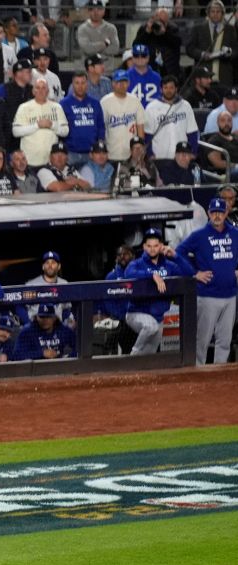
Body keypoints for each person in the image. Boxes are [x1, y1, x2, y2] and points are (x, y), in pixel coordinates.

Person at [179, 198, 238, 365]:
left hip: (230, 295)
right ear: (208, 213)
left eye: (221, 212)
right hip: (207, 295)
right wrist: (194, 273)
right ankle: (198, 372)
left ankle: (219, 374)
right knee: (202, 339)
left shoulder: (235, 234)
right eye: (214, 212)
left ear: (226, 213)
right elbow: (178, 253)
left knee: (225, 340)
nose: (217, 216)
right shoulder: (199, 235)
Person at [122, 228, 194, 355]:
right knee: (151, 327)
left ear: (161, 246)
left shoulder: (168, 265)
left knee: (150, 354)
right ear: (144, 246)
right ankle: (133, 356)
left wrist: (176, 256)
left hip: (159, 317)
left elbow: (189, 274)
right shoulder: (137, 264)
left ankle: (140, 371)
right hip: (137, 313)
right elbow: (128, 274)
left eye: (156, 245)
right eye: (149, 246)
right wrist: (152, 275)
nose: (152, 249)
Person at [144, 76, 198, 162]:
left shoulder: (185, 105)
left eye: (171, 87)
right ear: (161, 89)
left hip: (182, 156)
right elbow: (148, 134)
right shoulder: (151, 107)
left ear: (176, 89)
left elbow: (192, 132)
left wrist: (194, 152)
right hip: (160, 156)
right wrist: (150, 154)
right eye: (165, 87)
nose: (168, 91)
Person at [189, 0, 237, 88]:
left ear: (223, 13)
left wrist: (229, 53)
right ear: (208, 13)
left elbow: (236, 50)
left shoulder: (230, 29)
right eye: (213, 11)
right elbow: (190, 48)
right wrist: (202, 54)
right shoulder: (198, 28)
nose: (215, 14)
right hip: (202, 78)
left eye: (218, 12)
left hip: (224, 76)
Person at [100, 71, 145, 163]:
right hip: (111, 153)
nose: (122, 85)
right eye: (119, 82)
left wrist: (140, 151)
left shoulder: (135, 101)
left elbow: (140, 127)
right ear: (113, 84)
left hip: (131, 154)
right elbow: (101, 128)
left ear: (128, 83)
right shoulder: (105, 101)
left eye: (124, 82)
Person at [11, 304, 76, 361]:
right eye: (42, 317)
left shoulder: (63, 330)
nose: (45, 320)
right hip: (34, 369)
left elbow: (79, 348)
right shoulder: (28, 331)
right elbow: (16, 356)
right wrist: (42, 353)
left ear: (54, 318)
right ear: (36, 317)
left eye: (48, 317)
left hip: (58, 367)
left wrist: (66, 358)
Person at [76, 0, 120, 65]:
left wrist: (94, 48)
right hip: (88, 69)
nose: (95, 12)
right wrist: (104, 44)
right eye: (92, 9)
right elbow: (87, 49)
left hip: (107, 69)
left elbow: (115, 49)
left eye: (99, 9)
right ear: (88, 11)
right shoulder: (82, 28)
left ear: (104, 11)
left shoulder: (111, 28)